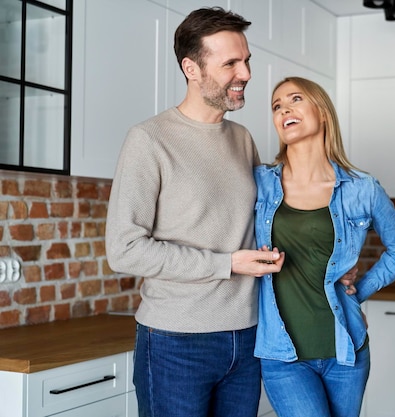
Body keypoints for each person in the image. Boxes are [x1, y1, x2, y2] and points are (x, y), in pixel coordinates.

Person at [105, 7, 287, 417]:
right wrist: (227, 264)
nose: (246, 73)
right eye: (230, 63)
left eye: (247, 60)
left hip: (246, 335)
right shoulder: (149, 140)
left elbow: (262, 226)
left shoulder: (242, 139)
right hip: (175, 341)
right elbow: (124, 250)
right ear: (191, 68)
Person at [253, 76, 395, 417]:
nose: (284, 109)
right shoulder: (259, 182)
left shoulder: (362, 188)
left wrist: (360, 289)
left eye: (295, 99)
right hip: (283, 355)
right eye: (276, 106)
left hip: (346, 349)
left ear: (322, 112)